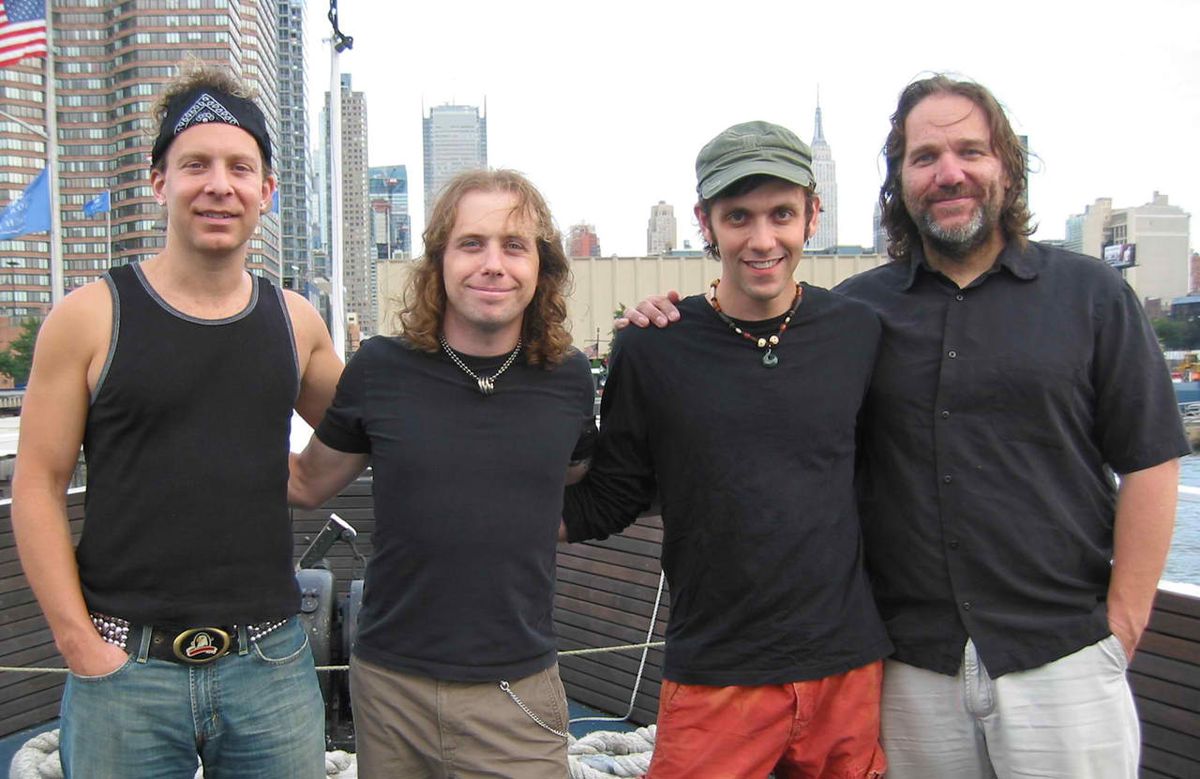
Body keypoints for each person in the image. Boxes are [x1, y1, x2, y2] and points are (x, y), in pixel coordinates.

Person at [625, 76, 1186, 778]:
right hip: (912, 668)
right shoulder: (855, 315)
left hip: (1061, 659)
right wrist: (668, 323)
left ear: (1006, 166)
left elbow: (1151, 460)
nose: (949, 173)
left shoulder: (1091, 293)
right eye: (925, 157)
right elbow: (754, 393)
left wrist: (1121, 628)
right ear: (899, 178)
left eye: (970, 151)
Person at [11, 61, 341, 778]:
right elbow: (36, 483)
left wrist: (307, 479)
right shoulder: (89, 317)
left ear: (266, 191)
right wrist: (77, 642)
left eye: (240, 168)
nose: (219, 184)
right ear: (160, 182)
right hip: (123, 666)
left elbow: (371, 427)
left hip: (271, 663)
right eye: (196, 165)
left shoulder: (296, 323)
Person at [561, 121, 890, 779]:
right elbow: (615, 495)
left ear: (812, 215)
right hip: (717, 672)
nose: (762, 239)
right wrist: (489, 512)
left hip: (845, 669)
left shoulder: (857, 331)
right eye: (738, 216)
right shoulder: (653, 345)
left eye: (781, 214)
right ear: (705, 222)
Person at [288, 169, 596, 778]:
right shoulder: (381, 368)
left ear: (542, 266)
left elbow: (578, 482)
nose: (493, 264)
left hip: (516, 692)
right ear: (440, 261)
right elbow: (306, 482)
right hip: (390, 692)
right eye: (471, 243)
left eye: (514, 246)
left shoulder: (568, 378)